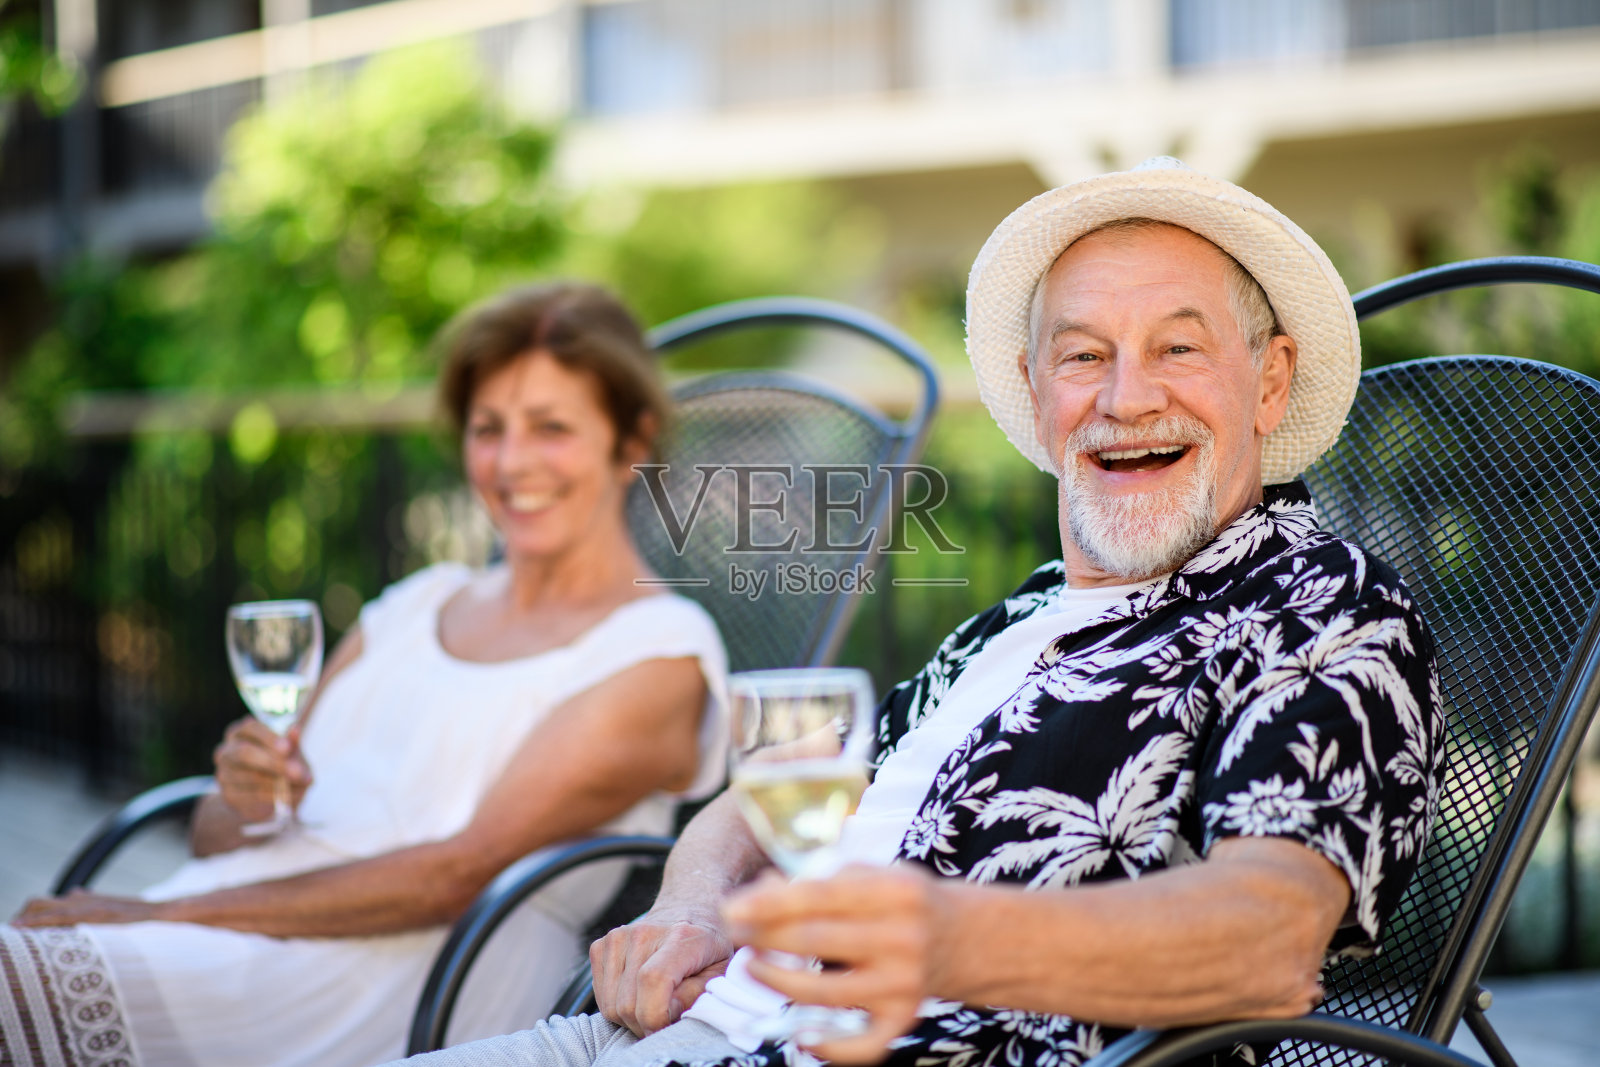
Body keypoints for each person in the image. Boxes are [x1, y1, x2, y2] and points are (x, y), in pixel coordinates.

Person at [383, 158, 1445, 1067]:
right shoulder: (1012, 625)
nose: (1125, 396)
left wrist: (947, 933)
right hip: (666, 1034)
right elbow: (775, 793)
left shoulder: (1321, 605)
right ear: (1035, 392)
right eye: (1083, 354)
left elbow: (1266, 934)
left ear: (1269, 382)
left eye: (1177, 347)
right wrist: (691, 903)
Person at [4, 282, 730, 1067]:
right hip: (237, 922)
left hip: (399, 975)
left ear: (631, 440)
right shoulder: (419, 601)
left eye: (551, 427)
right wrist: (247, 794)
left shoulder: (657, 649)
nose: (513, 461)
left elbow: (451, 876)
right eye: (488, 428)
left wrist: (163, 914)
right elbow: (220, 831)